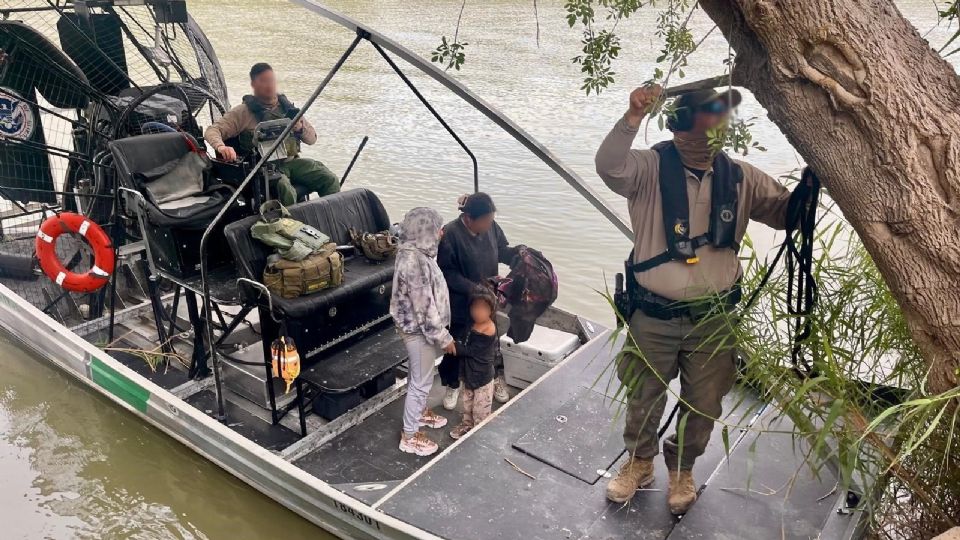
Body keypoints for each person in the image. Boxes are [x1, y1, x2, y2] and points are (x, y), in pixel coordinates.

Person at [595, 84, 793, 515]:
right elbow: (609, 167)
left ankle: (682, 468)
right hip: (654, 314)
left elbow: (786, 214)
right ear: (680, 126)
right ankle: (639, 464)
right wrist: (632, 116)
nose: (711, 130)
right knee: (644, 394)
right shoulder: (648, 168)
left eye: (718, 121)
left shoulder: (740, 176)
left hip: (714, 319)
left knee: (704, 401)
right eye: (704, 120)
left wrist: (821, 176)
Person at [203, 62, 339, 206]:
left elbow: (312, 139)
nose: (269, 85)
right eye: (263, 81)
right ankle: (289, 224)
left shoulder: (289, 109)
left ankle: (334, 219)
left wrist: (300, 128)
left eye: (271, 80)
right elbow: (212, 131)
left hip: (291, 163)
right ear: (254, 85)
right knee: (285, 189)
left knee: (329, 178)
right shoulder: (242, 112)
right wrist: (222, 147)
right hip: (263, 169)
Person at [436, 193, 518, 410]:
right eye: (486, 220)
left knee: (490, 342)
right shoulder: (451, 234)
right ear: (470, 219)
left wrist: (519, 254)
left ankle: (494, 378)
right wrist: (473, 288)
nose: (490, 224)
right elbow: (447, 272)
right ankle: (453, 384)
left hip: (487, 299)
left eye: (492, 220)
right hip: (461, 302)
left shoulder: (492, 227)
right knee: (458, 343)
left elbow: (502, 250)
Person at [390, 207, 457, 457]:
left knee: (422, 376)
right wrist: (444, 338)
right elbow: (425, 307)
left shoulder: (417, 252)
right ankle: (409, 436)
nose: (441, 232)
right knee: (420, 382)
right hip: (419, 332)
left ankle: (418, 415)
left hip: (422, 330)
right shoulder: (413, 262)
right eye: (436, 228)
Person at [448, 285, 499, 440]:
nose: (478, 312)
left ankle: (479, 434)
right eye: (475, 307)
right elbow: (464, 340)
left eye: (483, 308)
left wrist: (453, 346)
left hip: (482, 377)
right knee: (468, 404)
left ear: (491, 310)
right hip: (468, 373)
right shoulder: (471, 323)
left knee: (480, 410)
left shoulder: (489, 328)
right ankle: (467, 424)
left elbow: (472, 350)